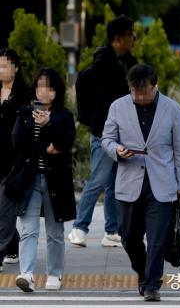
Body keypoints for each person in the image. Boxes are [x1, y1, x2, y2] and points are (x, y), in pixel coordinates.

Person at [101, 64, 180, 302]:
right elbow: (106, 139)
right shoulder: (117, 107)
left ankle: (152, 285)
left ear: (155, 86)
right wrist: (117, 150)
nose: (139, 97)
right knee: (128, 236)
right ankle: (143, 272)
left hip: (162, 183)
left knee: (158, 237)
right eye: (134, 92)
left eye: (144, 92)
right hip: (129, 180)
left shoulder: (173, 109)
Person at [68, 15, 138, 248]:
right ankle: (79, 227)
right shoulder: (104, 65)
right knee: (97, 180)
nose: (134, 39)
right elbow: (103, 103)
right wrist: (102, 130)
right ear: (117, 39)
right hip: (103, 133)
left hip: (122, 134)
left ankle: (111, 231)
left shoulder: (127, 62)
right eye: (130, 35)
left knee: (113, 183)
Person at [8, 68, 76, 292]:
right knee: (28, 229)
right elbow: (17, 143)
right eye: (39, 86)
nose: (43, 91)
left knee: (55, 231)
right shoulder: (25, 113)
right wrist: (44, 149)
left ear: (56, 91)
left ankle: (55, 274)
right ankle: (26, 274)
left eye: (48, 87)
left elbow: (65, 144)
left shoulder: (63, 116)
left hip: (55, 180)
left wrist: (49, 125)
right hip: (30, 179)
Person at [0, 48, 29, 272]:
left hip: (12, 161)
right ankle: (12, 244)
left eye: (4, 65)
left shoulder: (23, 95)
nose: (0, 70)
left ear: (16, 68)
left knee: (4, 209)